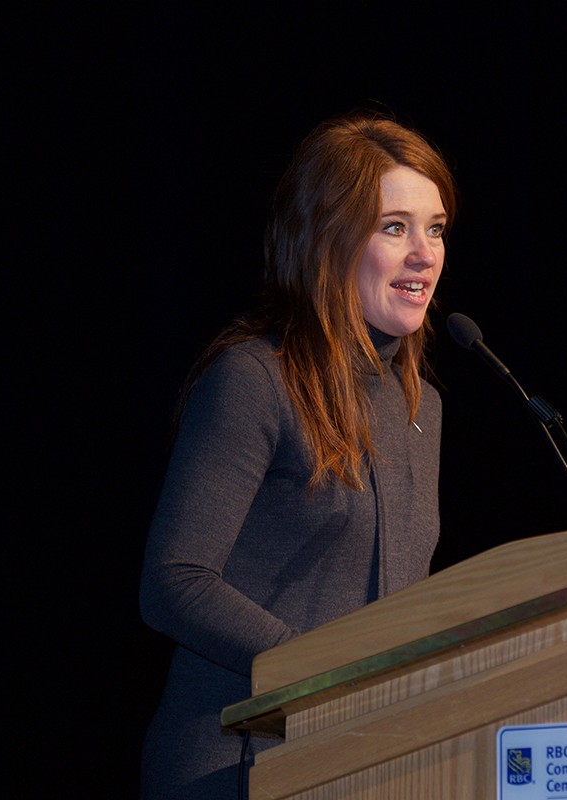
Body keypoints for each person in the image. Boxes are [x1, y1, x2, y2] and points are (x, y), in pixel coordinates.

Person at [138, 111, 458, 799]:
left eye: (435, 229)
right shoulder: (256, 380)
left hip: (360, 767)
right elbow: (175, 582)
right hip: (236, 763)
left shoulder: (421, 408)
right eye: (394, 227)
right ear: (327, 241)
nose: (425, 254)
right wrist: (325, 668)